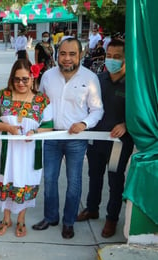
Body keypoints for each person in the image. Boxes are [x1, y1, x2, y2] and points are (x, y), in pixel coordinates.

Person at [32, 38, 104, 239]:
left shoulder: (90, 78)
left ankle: (69, 221)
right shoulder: (47, 76)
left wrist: (84, 124)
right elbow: (39, 104)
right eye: (63, 53)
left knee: (74, 182)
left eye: (72, 54)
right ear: (57, 54)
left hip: (76, 139)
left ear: (80, 55)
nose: (67, 58)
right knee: (49, 179)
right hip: (52, 136)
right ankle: (51, 217)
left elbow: (97, 110)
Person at [0, 59, 53, 237]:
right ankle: (6, 218)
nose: (21, 83)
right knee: (6, 178)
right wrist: (9, 128)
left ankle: (21, 218)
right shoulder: (2, 95)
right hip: (6, 150)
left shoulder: (41, 100)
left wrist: (35, 131)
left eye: (25, 79)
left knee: (25, 181)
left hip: (29, 151)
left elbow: (49, 125)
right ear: (12, 79)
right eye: (17, 79)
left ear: (33, 77)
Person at [76, 39, 134, 238]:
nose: (112, 60)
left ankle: (112, 219)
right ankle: (92, 208)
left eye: (117, 57)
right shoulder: (97, 80)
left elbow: (141, 113)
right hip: (96, 138)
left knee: (115, 179)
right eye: (109, 56)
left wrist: (126, 125)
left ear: (127, 58)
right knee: (94, 175)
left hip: (119, 143)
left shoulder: (134, 84)